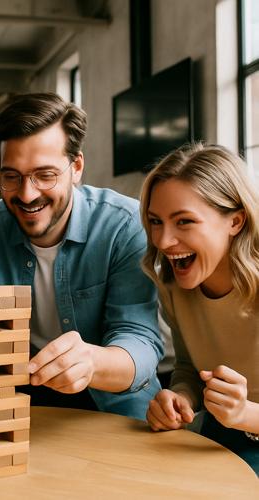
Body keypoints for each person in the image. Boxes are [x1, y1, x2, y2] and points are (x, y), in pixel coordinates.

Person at [0, 92, 163, 419]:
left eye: (45, 175)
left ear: (76, 167)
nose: (27, 193)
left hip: (114, 401)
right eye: (11, 176)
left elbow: (141, 340)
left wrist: (92, 362)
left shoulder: (124, 225)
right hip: (20, 404)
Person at [140, 143, 259, 474]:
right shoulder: (175, 288)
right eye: (155, 221)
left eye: (184, 222)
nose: (163, 241)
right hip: (218, 440)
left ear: (235, 221)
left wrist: (245, 414)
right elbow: (189, 368)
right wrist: (179, 398)